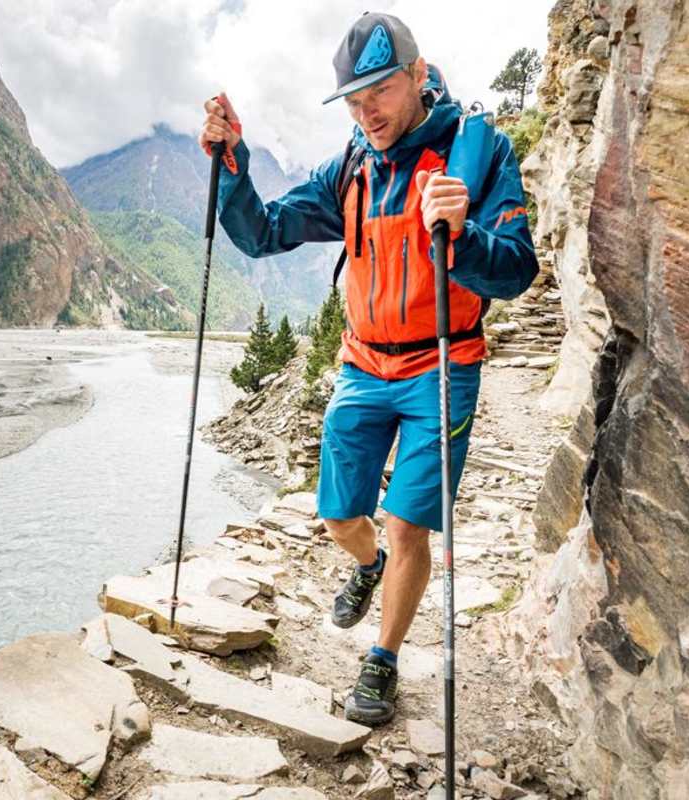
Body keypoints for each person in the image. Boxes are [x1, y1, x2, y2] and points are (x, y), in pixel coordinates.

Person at [198, 11, 538, 726]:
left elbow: (516, 272)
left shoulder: (479, 154)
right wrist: (233, 161)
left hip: (442, 365)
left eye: (379, 92)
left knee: (408, 523)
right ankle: (367, 565)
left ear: (418, 75)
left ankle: (381, 662)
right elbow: (263, 231)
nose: (367, 113)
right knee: (339, 517)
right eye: (354, 101)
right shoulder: (351, 167)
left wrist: (464, 234)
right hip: (361, 364)